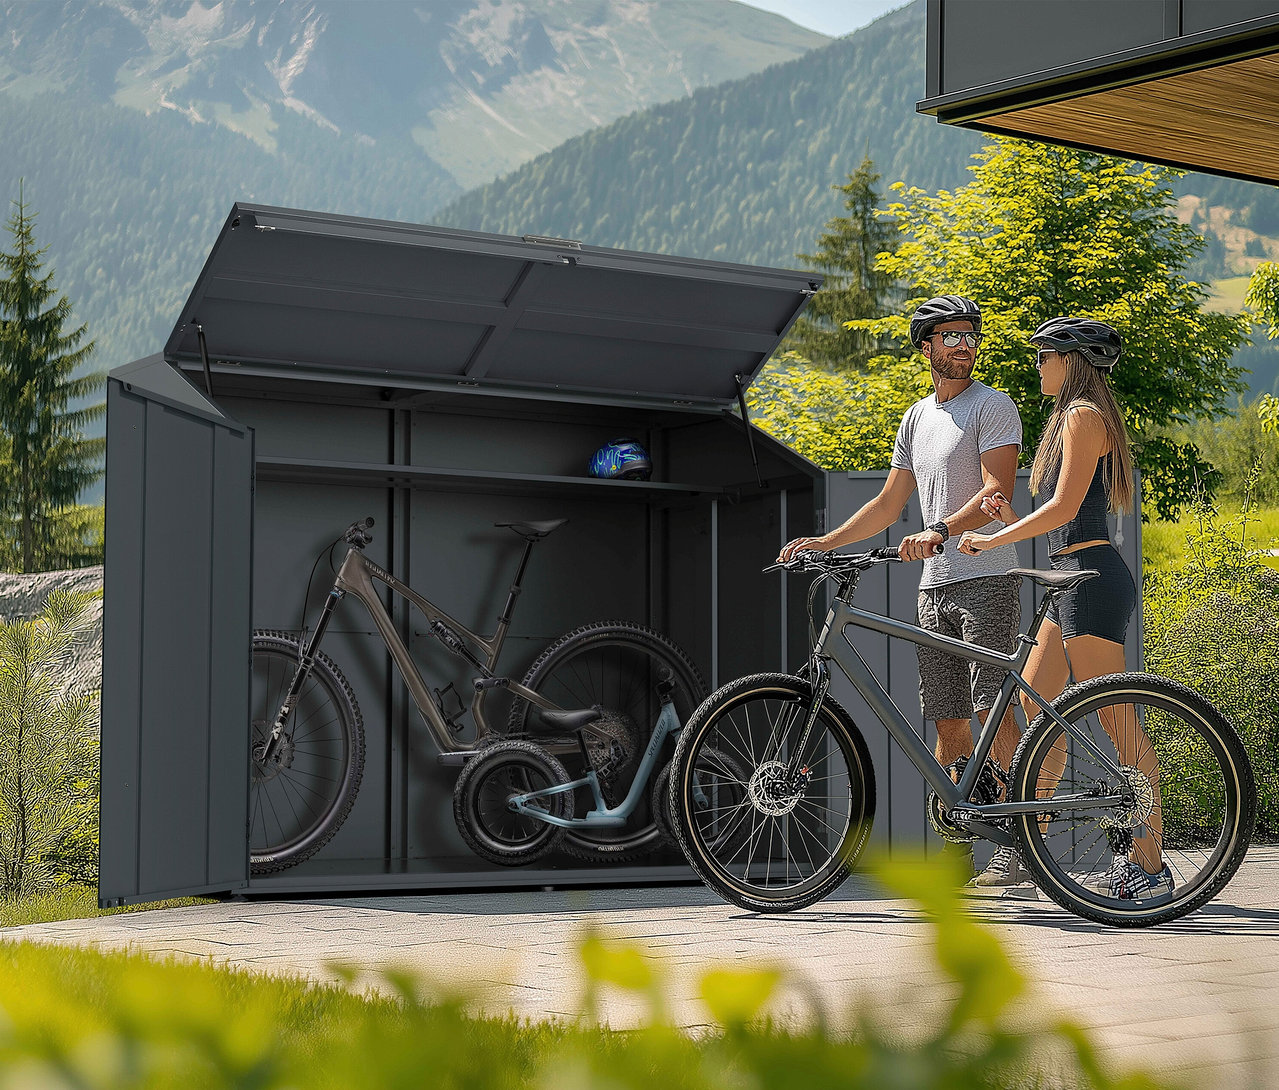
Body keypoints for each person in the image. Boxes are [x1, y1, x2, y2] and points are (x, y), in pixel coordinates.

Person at [779, 295, 1027, 886]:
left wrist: (940, 528)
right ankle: (958, 855)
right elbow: (890, 504)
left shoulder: (992, 406)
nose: (965, 345)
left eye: (971, 335)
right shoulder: (916, 418)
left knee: (991, 707)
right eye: (951, 336)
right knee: (946, 721)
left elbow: (997, 489)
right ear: (926, 347)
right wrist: (826, 542)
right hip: (934, 586)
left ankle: (1023, 840)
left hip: (986, 576)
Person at [957, 316, 1169, 898]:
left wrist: (997, 539)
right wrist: (1008, 520)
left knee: (1118, 723)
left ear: (1069, 360)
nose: (1038, 366)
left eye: (1043, 356)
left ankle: (1149, 864)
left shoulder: (1083, 416)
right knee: (1029, 712)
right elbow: (1057, 512)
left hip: (1092, 578)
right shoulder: (1064, 420)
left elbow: (1065, 505)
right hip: (1066, 578)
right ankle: (1033, 846)